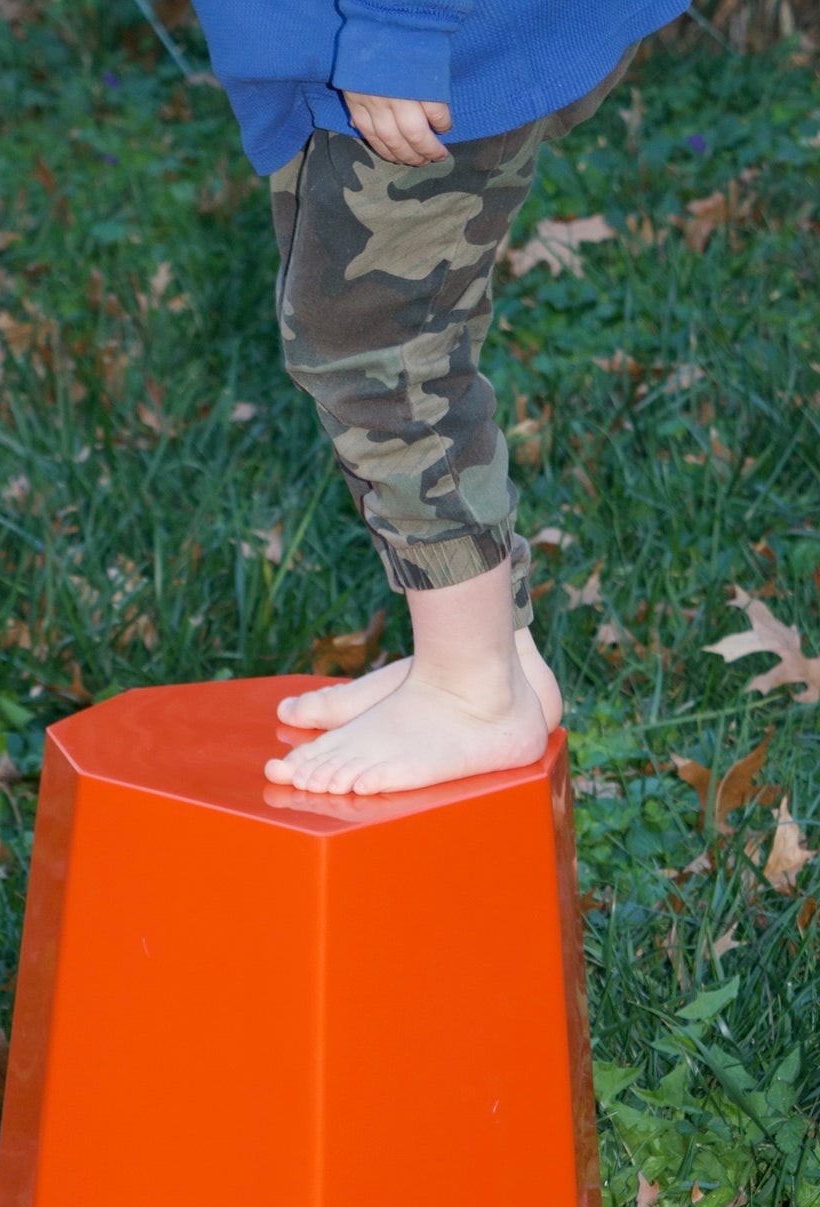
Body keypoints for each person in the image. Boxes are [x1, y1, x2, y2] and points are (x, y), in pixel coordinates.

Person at [189, 0, 687, 795]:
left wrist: (399, 30)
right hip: (373, 43)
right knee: (371, 324)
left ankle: (472, 691)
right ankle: (494, 650)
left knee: (380, 348)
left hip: (427, 36)